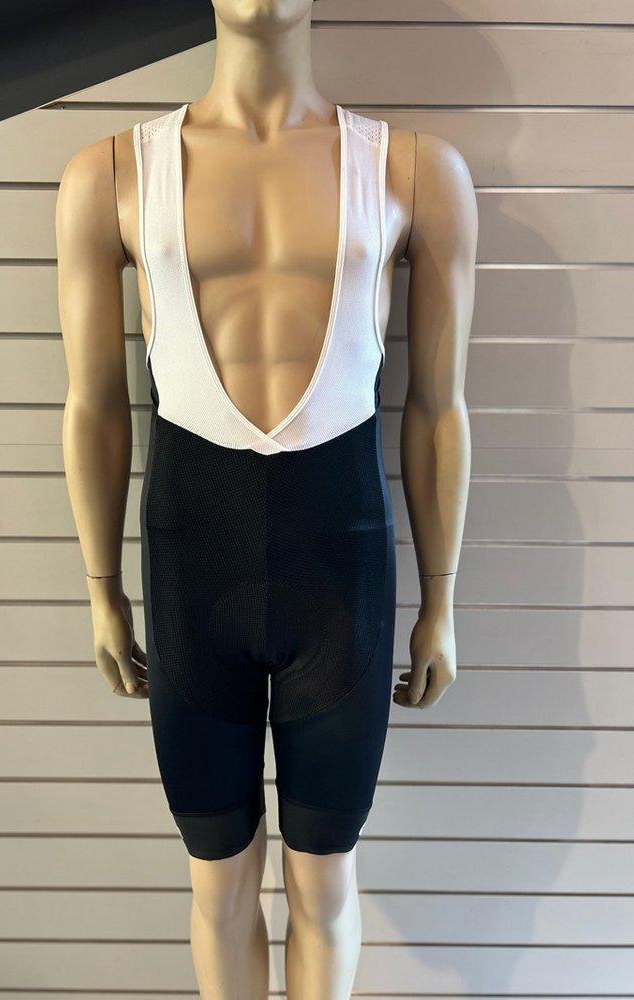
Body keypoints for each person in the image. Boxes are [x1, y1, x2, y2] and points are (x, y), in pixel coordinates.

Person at [56, 2, 475, 996]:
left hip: (342, 580)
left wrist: (441, 601)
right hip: (191, 577)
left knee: (325, 881)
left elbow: (439, 409)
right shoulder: (109, 175)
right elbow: (94, 405)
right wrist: (102, 590)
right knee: (220, 880)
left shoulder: (414, 171)